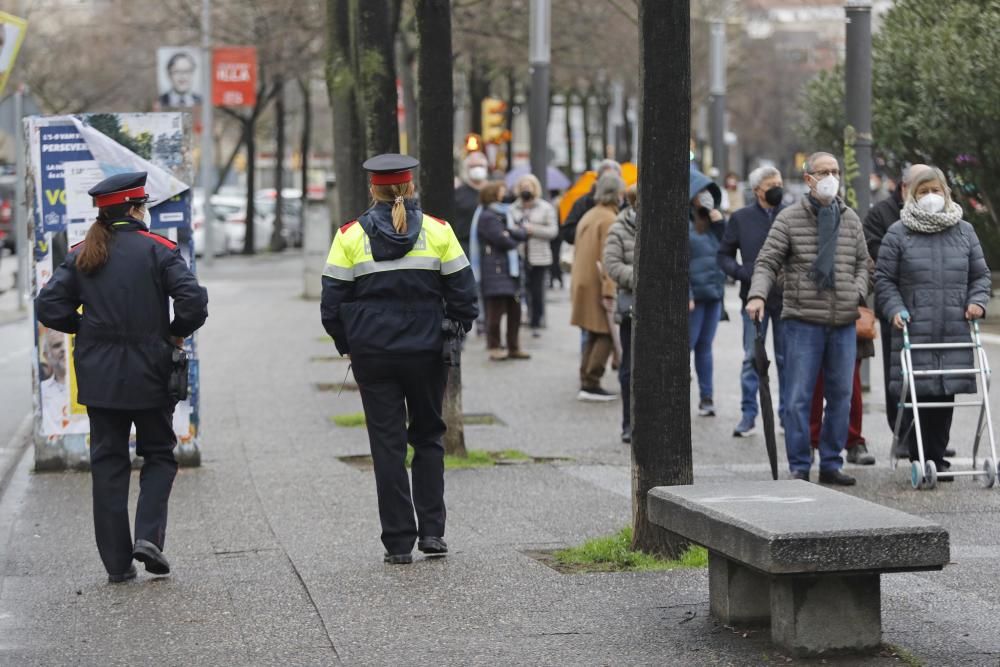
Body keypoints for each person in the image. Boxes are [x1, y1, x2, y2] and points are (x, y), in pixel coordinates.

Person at [35, 172, 209, 583]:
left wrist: (84, 327)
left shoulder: (82, 253)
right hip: (152, 372)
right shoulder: (159, 250)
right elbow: (193, 301)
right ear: (136, 209)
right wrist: (174, 331)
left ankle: (117, 564)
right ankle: (148, 537)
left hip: (99, 377)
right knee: (160, 455)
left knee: (109, 464)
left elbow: (48, 306)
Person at [321, 154, 478, 564]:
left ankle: (397, 543)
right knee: (428, 437)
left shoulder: (349, 236)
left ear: (373, 189)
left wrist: (349, 343)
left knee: (387, 445)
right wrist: (452, 332)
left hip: (373, 356)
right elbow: (465, 298)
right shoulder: (439, 231)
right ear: (409, 188)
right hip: (427, 354)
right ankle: (432, 534)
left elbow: (331, 304)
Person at [747, 152, 871, 486]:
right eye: (824, 171)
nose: (831, 177)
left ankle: (831, 462)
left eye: (835, 171)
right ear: (808, 179)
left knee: (841, 395)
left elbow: (864, 264)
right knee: (798, 397)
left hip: (843, 321)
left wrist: (855, 291)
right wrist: (757, 295)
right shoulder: (788, 219)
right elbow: (767, 261)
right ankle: (800, 464)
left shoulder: (850, 219)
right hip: (803, 322)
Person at [875, 166, 990, 475]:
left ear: (946, 193)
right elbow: (884, 280)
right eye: (923, 192)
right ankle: (920, 456)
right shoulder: (898, 233)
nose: (930, 197)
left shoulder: (964, 231)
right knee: (919, 393)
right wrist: (894, 309)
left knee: (944, 394)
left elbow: (980, 276)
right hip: (915, 327)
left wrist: (977, 302)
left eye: (935, 191)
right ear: (911, 195)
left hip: (953, 327)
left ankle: (937, 458)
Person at [864, 164, 934, 444]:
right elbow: (876, 254)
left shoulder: (935, 214)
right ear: (904, 187)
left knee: (930, 373)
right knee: (898, 372)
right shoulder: (880, 214)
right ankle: (903, 433)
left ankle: (929, 436)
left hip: (932, 306)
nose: (926, 195)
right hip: (896, 308)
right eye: (921, 187)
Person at [717, 165, 787, 436]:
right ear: (757, 190)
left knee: (786, 359)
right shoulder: (741, 218)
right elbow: (723, 254)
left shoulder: (790, 215)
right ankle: (748, 415)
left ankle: (785, 416)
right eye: (772, 185)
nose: (777, 189)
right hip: (753, 300)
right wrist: (740, 271)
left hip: (785, 299)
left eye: (779, 183)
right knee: (751, 359)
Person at [571, 172, 625, 401]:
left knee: (593, 332)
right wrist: (610, 290)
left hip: (583, 281)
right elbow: (608, 259)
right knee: (604, 332)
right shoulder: (608, 219)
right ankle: (592, 380)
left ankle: (586, 378)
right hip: (597, 283)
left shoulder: (591, 215)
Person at [689, 166, 727, 417]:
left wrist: (720, 224)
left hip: (713, 294)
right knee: (687, 346)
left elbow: (727, 251)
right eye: (700, 191)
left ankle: (707, 396)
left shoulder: (712, 223)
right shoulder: (684, 223)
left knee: (705, 347)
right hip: (694, 298)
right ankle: (679, 393)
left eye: (708, 192)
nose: (705, 196)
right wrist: (687, 293)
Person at [477, 181, 529, 360]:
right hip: (496, 270)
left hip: (508, 269)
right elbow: (502, 239)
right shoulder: (487, 216)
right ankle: (494, 346)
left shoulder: (504, 213)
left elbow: (517, 233)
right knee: (495, 312)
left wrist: (511, 234)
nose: (504, 193)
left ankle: (513, 346)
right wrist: (512, 237)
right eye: (501, 190)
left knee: (515, 310)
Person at [809, 328, 877, 465]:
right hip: (810, 316)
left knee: (851, 388)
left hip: (846, 317)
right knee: (812, 385)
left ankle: (854, 441)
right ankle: (809, 442)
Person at [603, 184, 638, 442]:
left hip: (661, 309)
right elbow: (612, 264)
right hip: (632, 307)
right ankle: (629, 422)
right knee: (629, 366)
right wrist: (641, 277)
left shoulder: (663, 224)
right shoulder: (619, 228)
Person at [508, 174, 558, 336]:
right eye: (523, 187)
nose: (526, 190)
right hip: (519, 255)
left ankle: (536, 320)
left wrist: (533, 229)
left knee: (537, 291)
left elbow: (553, 231)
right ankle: (525, 316)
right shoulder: (513, 208)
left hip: (539, 256)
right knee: (522, 290)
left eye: (529, 187)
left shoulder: (546, 208)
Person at [560, 159, 621, 244]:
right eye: (606, 179)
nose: (610, 183)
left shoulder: (624, 203)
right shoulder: (583, 203)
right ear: (598, 180)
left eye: (614, 179)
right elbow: (568, 232)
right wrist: (591, 232)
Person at [453, 152, 489, 258]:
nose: (477, 169)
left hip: (490, 247)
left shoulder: (494, 192)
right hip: (464, 246)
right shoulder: (458, 193)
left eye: (480, 166)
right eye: (473, 166)